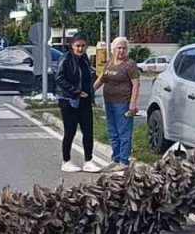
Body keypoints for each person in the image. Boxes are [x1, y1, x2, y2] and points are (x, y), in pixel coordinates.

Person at [54, 34, 103, 173]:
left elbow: (88, 76)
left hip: (85, 100)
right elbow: (59, 78)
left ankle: (88, 160)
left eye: (83, 46)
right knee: (70, 131)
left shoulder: (85, 59)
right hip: (69, 100)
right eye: (78, 46)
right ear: (72, 46)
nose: (80, 48)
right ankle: (66, 161)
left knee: (88, 131)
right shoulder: (66, 58)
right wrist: (75, 91)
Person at [94, 36, 141, 172]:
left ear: (127, 50)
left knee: (124, 132)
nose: (121, 51)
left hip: (123, 103)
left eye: (124, 48)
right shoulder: (109, 63)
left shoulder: (130, 65)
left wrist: (132, 105)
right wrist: (89, 92)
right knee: (112, 132)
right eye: (118, 48)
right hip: (109, 102)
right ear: (113, 49)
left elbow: (136, 85)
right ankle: (116, 158)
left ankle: (124, 161)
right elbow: (101, 79)